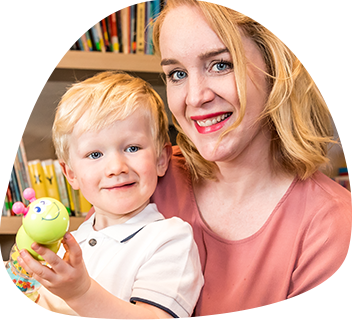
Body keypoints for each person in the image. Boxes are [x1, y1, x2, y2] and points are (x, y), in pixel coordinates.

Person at [1, 0, 352, 319]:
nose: (195, 97)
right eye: (177, 74)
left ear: (277, 68)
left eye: (220, 64)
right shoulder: (145, 180)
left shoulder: (332, 227)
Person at [6, 71, 203, 320]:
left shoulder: (169, 239)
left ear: (161, 159)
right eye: (95, 154)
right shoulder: (63, 245)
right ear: (71, 174)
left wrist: (81, 293)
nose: (115, 168)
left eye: (132, 148)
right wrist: (18, 312)